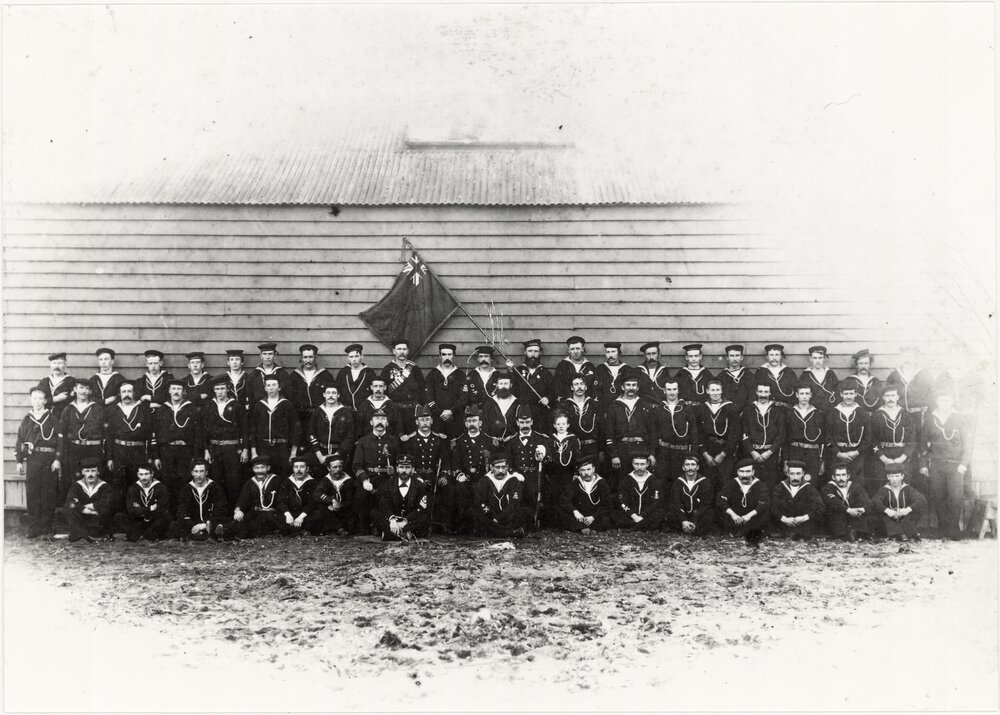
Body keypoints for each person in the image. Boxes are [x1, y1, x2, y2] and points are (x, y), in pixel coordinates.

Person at [921, 390, 973, 540]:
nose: (944, 403)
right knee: (938, 497)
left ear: (951, 402)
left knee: (955, 497)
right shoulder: (931, 419)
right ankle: (943, 529)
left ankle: (954, 529)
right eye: (941, 400)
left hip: (955, 465)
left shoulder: (960, 418)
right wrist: (923, 464)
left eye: (947, 400)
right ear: (937, 401)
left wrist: (963, 463)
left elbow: (967, 445)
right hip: (936, 465)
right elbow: (923, 444)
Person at [16, 386, 62, 537]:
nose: (37, 401)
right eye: (34, 398)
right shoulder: (27, 419)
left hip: (49, 459)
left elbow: (60, 441)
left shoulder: (53, 418)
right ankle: (34, 527)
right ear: (31, 400)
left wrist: (57, 459)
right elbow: (21, 440)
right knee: (33, 491)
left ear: (45, 401)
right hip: (33, 458)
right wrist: (19, 461)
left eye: (40, 398)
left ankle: (47, 526)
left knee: (48, 492)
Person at [105, 379, 155, 513]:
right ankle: (120, 518)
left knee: (136, 483)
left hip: (137, 451)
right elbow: (109, 436)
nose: (126, 394)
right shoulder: (113, 410)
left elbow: (150, 435)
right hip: (119, 451)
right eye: (123, 392)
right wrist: (110, 457)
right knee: (119, 484)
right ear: (119, 394)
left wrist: (150, 455)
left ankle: (136, 516)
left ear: (134, 393)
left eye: (129, 391)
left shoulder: (143, 409)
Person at [400, 404, 452, 531]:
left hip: (434, 476)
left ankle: (443, 525)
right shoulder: (409, 440)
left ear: (432, 421)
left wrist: (443, 475)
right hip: (415, 476)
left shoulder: (438, 439)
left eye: (427, 419)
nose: (425, 422)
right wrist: (418, 478)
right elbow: (408, 465)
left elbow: (445, 461)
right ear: (416, 422)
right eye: (422, 420)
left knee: (447, 491)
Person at [201, 374, 249, 507]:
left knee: (233, 481)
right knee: (217, 480)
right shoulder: (208, 406)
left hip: (232, 449)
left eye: (222, 388)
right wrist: (206, 450)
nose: (220, 391)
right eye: (217, 389)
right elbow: (204, 431)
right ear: (214, 390)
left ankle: (234, 511)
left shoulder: (237, 406)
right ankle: (219, 512)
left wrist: (245, 450)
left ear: (228, 389)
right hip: (215, 449)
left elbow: (245, 429)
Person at [449, 405, 499, 533]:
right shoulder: (459, 442)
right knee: (459, 489)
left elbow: (495, 463)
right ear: (466, 424)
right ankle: (462, 526)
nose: (472, 424)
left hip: (484, 478)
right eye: (469, 421)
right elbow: (455, 464)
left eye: (475, 420)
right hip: (465, 478)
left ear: (480, 422)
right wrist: (459, 475)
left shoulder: (489, 441)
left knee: (481, 490)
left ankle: (483, 525)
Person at [604, 375, 656, 492]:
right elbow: (609, 433)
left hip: (641, 448)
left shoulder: (644, 405)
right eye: (628, 385)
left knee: (639, 479)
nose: (631, 388)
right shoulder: (614, 406)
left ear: (638, 388)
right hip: (622, 448)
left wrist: (651, 452)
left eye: (634, 385)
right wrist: (614, 455)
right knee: (622, 480)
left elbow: (652, 432)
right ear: (622, 387)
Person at [352, 408, 400, 534]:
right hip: (369, 478)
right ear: (371, 422)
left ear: (387, 423)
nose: (380, 421)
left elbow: (400, 463)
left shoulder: (394, 441)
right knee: (361, 496)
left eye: (383, 419)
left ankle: (382, 527)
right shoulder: (363, 441)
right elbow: (356, 465)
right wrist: (365, 480)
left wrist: (394, 470)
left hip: (387, 479)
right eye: (377, 419)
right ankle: (365, 528)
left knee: (389, 499)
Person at [153, 379, 202, 498]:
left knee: (185, 481)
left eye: (179, 389)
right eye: (173, 389)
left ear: (184, 392)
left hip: (185, 450)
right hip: (167, 450)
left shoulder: (191, 409)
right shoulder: (162, 409)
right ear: (169, 391)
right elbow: (155, 433)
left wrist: (195, 456)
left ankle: (183, 512)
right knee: (167, 481)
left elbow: (198, 434)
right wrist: (156, 456)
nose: (176, 392)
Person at [868, 383, 919, 496]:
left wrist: (904, 456)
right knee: (882, 485)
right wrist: (883, 458)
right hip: (883, 454)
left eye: (893, 395)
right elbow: (873, 439)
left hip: (902, 454)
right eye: (887, 396)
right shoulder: (877, 415)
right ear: (883, 398)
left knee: (904, 485)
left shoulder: (905, 414)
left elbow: (912, 438)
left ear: (897, 397)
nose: (890, 399)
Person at [58, 380, 105, 503]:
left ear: (90, 391)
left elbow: (105, 431)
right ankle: (78, 511)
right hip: (75, 449)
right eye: (81, 388)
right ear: (75, 389)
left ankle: (93, 509)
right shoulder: (68, 409)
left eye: (86, 388)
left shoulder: (97, 408)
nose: (83, 391)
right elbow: (62, 433)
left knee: (93, 478)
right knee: (76, 479)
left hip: (93, 449)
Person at [216, 455, 283, 540]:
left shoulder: (277, 480)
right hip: (256, 513)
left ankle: (228, 532)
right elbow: (242, 499)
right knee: (243, 520)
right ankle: (221, 531)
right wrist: (238, 510)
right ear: (253, 469)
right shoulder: (250, 483)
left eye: (262, 468)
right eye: (256, 468)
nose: (259, 471)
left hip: (272, 514)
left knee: (252, 526)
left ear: (268, 468)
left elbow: (282, 500)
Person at [504, 405, 551, 524]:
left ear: (532, 422)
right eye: (522, 422)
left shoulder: (541, 439)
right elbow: (507, 461)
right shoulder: (511, 441)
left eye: (527, 422)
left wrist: (544, 456)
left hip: (536, 475)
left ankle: (533, 521)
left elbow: (550, 461)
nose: (525, 425)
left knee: (533, 494)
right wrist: (514, 473)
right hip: (518, 475)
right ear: (517, 423)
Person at [249, 374, 301, 478]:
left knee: (282, 476)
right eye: (268, 385)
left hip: (282, 448)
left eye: (274, 385)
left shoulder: (287, 404)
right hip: (263, 447)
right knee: (265, 476)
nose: (271, 388)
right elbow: (253, 429)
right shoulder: (259, 405)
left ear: (279, 387)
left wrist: (293, 452)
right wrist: (254, 452)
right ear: (265, 388)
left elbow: (296, 429)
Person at [371, 454, 430, 541]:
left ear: (413, 470)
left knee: (424, 518)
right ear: (397, 469)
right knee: (374, 513)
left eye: (407, 468)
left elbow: (420, 508)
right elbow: (384, 504)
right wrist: (392, 520)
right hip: (392, 520)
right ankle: (406, 533)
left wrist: (405, 521)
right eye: (401, 467)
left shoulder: (419, 485)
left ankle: (389, 534)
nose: (404, 470)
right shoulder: (388, 484)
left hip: (409, 520)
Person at [470, 454, 530, 538]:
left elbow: (514, 503)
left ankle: (496, 531)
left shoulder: (513, 480)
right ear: (491, 467)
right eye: (497, 468)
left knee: (523, 511)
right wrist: (492, 516)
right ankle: (510, 532)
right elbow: (481, 502)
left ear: (507, 467)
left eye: (503, 467)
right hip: (490, 516)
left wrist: (499, 517)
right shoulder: (485, 481)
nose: (501, 470)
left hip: (507, 515)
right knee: (475, 513)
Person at [653, 378, 700, 484]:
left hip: (681, 452)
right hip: (664, 452)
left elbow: (694, 432)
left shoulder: (686, 409)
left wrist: (693, 454)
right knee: (663, 482)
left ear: (678, 390)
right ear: (664, 391)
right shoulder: (659, 409)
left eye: (674, 389)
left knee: (679, 482)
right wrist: (653, 453)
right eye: (669, 389)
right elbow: (654, 432)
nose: (672, 392)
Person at [695, 379, 740, 489]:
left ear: (722, 391)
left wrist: (723, 454)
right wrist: (705, 454)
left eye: (717, 390)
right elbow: (698, 433)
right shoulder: (701, 408)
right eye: (712, 390)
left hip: (725, 451)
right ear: (707, 391)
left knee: (724, 483)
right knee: (708, 483)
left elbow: (735, 434)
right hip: (708, 451)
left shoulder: (731, 407)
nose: (715, 393)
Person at [288, 344, 336, 447]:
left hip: (319, 416)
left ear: (315, 357)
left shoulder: (325, 375)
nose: (308, 360)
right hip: (300, 418)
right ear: (301, 358)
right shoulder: (294, 376)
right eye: (305, 357)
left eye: (310, 357)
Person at [59, 457, 113, 542]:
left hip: (96, 517)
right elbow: (70, 501)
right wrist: (86, 510)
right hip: (82, 517)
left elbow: (107, 501)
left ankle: (90, 534)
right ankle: (81, 535)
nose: (90, 474)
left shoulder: (104, 486)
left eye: (93, 471)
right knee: (69, 509)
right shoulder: (77, 486)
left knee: (105, 510)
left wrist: (92, 506)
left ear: (98, 472)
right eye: (87, 471)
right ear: (83, 472)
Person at [171, 459, 227, 541]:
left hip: (210, 522)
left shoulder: (214, 487)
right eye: (196, 471)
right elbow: (182, 510)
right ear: (192, 473)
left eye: (201, 471)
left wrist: (204, 525)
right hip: (193, 523)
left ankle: (204, 533)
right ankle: (206, 534)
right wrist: (194, 525)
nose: (198, 475)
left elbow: (220, 508)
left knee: (224, 522)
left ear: (206, 472)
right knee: (174, 525)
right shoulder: (187, 488)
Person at [741, 384, 785, 486]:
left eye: (766, 392)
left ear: (770, 393)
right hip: (753, 454)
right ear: (756, 392)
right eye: (760, 392)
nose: (763, 395)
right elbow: (744, 433)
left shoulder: (777, 410)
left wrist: (770, 452)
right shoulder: (749, 410)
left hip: (771, 454)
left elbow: (781, 434)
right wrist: (752, 452)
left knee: (771, 483)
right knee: (753, 484)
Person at [716, 458, 770, 543]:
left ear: (753, 472)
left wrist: (748, 516)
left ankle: (747, 531)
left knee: (765, 514)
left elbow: (763, 504)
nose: (745, 475)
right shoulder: (732, 483)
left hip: (751, 518)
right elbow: (721, 500)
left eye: (748, 471)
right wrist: (733, 515)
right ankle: (734, 530)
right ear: (737, 472)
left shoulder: (760, 485)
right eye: (741, 471)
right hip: (735, 517)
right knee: (719, 512)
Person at [826, 382, 872, 481]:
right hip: (838, 454)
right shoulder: (833, 413)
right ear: (841, 394)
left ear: (856, 394)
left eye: (851, 394)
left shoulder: (862, 413)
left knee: (857, 483)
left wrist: (857, 452)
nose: (848, 397)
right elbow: (828, 437)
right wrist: (837, 453)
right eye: (846, 394)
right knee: (838, 481)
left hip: (857, 455)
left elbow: (868, 438)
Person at [558, 455, 614, 534]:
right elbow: (565, 499)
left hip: (595, 515)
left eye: (588, 469)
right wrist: (575, 511)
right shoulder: (576, 483)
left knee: (607, 518)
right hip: (581, 516)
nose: (586, 473)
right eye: (583, 470)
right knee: (563, 513)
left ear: (593, 469)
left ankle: (594, 528)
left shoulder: (601, 483)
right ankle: (582, 528)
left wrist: (593, 517)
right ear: (579, 471)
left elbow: (607, 504)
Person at [872, 462, 927, 541]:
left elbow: (921, 500)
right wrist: (888, 511)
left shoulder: (908, 489)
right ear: (888, 477)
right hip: (890, 518)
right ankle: (899, 534)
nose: (894, 479)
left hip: (904, 517)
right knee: (882, 517)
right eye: (892, 476)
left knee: (912, 515)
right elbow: (875, 501)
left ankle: (904, 534)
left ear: (902, 476)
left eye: (897, 476)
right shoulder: (884, 490)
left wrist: (907, 510)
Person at [770, 460, 825, 539]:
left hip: (803, 524)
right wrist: (784, 519)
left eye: (798, 474)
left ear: (803, 474)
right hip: (784, 523)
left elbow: (821, 507)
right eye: (792, 474)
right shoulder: (780, 487)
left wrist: (804, 518)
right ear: (787, 474)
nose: (795, 477)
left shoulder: (809, 488)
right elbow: (772, 506)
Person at [784, 385, 827, 486]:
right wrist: (785, 460)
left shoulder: (818, 414)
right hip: (795, 452)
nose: (804, 397)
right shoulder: (790, 413)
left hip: (812, 454)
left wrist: (822, 460)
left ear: (811, 395)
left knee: (810, 481)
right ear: (797, 395)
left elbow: (823, 440)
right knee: (794, 481)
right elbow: (785, 438)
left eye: (807, 394)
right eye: (802, 394)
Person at [382, 338, 426, 434]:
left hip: (413, 412)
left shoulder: (414, 369)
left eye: (404, 349)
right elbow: (384, 393)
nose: (402, 352)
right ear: (394, 351)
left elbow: (422, 391)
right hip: (395, 412)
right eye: (399, 349)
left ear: (408, 351)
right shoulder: (387, 370)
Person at [611, 455, 667, 531]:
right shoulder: (626, 480)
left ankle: (633, 527)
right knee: (614, 514)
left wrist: (642, 516)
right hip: (631, 515)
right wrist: (634, 516)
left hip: (647, 515)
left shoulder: (654, 481)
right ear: (632, 464)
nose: (639, 467)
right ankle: (642, 526)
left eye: (642, 464)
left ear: (647, 464)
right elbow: (623, 502)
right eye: (636, 464)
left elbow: (656, 503)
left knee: (660, 514)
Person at [425, 343, 468, 439]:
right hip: (437, 418)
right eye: (444, 354)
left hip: (456, 418)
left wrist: (451, 411)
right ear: (440, 356)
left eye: (450, 354)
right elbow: (428, 397)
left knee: (455, 445)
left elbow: (464, 398)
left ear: (454, 356)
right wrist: (440, 412)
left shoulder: (461, 375)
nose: (447, 357)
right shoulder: (432, 375)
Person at [821, 460, 873, 541]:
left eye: (843, 475)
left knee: (863, 511)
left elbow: (868, 502)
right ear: (833, 477)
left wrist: (861, 510)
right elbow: (833, 502)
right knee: (836, 511)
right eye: (838, 475)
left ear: (848, 476)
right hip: (837, 519)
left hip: (853, 517)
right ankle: (845, 534)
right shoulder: (828, 488)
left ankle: (856, 534)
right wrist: (848, 510)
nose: (841, 478)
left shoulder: (855, 487)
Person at [509, 338, 556, 426]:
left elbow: (553, 392)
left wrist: (548, 398)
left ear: (540, 353)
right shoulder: (517, 371)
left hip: (540, 414)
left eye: (536, 351)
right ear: (525, 353)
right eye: (530, 351)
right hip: (521, 414)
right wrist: (511, 371)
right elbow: (511, 390)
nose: (533, 354)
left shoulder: (545, 373)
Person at [309, 384, 356, 470]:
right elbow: (311, 433)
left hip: (339, 452)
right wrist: (319, 455)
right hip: (320, 453)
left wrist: (337, 455)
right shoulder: (318, 411)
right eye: (328, 393)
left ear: (338, 395)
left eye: (334, 393)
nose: (331, 395)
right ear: (324, 395)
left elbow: (349, 436)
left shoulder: (345, 412)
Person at [666, 455, 716, 535]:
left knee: (710, 513)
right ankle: (686, 527)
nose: (690, 468)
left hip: (698, 516)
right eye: (687, 465)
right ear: (683, 467)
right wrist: (683, 520)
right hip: (684, 515)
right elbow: (675, 502)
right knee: (670, 515)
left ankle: (693, 528)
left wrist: (694, 521)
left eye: (693, 464)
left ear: (697, 467)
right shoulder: (678, 482)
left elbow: (705, 504)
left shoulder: (705, 482)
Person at [556, 376, 604, 460]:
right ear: (572, 387)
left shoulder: (594, 405)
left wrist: (601, 450)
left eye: (582, 384)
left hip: (593, 447)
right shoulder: (565, 406)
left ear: (586, 387)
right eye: (576, 384)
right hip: (573, 447)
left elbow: (601, 428)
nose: (579, 387)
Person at [308, 453, 355, 535]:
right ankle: (339, 529)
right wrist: (331, 500)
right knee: (320, 508)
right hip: (331, 511)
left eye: (340, 466)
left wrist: (340, 506)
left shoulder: (348, 481)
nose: (338, 469)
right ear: (328, 468)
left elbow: (351, 500)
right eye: (334, 467)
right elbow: (317, 494)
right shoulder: (325, 480)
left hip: (344, 510)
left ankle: (338, 528)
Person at [124, 463, 171, 542]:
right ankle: (142, 533)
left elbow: (162, 508)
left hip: (154, 520)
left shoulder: (161, 487)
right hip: (139, 520)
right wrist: (150, 508)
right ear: (137, 474)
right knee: (120, 517)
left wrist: (141, 510)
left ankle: (146, 533)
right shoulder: (133, 488)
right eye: (141, 474)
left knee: (165, 518)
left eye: (146, 474)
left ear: (152, 474)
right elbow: (131, 510)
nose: (144, 477)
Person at [276, 456, 316, 536]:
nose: (299, 470)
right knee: (275, 514)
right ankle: (299, 531)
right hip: (290, 514)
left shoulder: (312, 483)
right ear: (293, 469)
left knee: (318, 514)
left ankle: (295, 531)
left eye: (302, 467)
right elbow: (281, 501)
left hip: (304, 514)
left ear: (307, 469)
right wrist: (288, 515)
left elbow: (312, 503)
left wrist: (301, 517)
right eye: (296, 467)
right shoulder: (286, 482)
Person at [335, 343, 376, 414]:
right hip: (346, 411)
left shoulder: (369, 373)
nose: (354, 359)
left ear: (362, 356)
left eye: (356, 356)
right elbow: (337, 390)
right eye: (351, 357)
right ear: (348, 357)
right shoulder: (343, 372)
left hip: (364, 411)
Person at [481, 373, 521, 443]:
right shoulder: (489, 403)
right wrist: (492, 438)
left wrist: (513, 437)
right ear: (497, 385)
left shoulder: (517, 403)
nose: (503, 386)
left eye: (506, 383)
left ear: (511, 385)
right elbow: (484, 424)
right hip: (493, 442)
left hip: (513, 442)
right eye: (501, 383)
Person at [798, 346, 839, 413]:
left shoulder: (830, 374)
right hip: (812, 413)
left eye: (820, 358)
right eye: (815, 358)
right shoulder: (805, 375)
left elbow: (837, 393)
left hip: (829, 411)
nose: (818, 361)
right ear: (811, 359)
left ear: (824, 359)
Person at [37, 351, 76, 418]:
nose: (57, 366)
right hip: (45, 417)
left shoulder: (71, 381)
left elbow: (73, 400)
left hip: (64, 417)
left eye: (60, 363)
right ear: (50, 365)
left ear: (65, 365)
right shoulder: (44, 381)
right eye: (54, 363)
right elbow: (39, 400)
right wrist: (55, 399)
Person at [718, 344, 755, 411]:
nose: (735, 359)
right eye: (731, 356)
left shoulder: (748, 375)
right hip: (727, 412)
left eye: (737, 355)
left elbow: (752, 396)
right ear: (727, 357)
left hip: (745, 413)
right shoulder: (722, 376)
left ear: (741, 357)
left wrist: (746, 411)